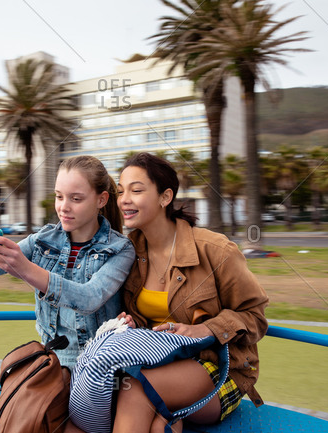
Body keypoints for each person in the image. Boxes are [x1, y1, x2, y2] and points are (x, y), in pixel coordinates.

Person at [0, 155, 135, 432]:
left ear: (102, 200)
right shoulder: (42, 241)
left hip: (95, 372)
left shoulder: (119, 249)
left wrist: (26, 269)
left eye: (76, 199)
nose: (63, 207)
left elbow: (89, 298)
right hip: (49, 365)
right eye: (59, 196)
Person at [114, 152, 269, 433]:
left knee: (135, 387)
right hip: (159, 364)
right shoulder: (127, 253)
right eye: (120, 190)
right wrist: (131, 323)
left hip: (220, 367)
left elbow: (255, 317)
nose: (124, 198)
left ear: (165, 197)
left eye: (136, 190)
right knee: (158, 422)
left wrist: (207, 330)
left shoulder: (216, 249)